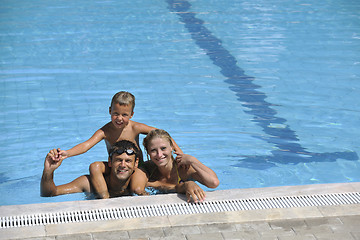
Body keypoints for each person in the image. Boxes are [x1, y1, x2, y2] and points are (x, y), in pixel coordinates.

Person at [52, 91, 182, 198]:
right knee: (94, 167)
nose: (119, 118)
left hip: (137, 167)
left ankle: (146, 197)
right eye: (116, 114)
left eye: (124, 115)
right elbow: (86, 145)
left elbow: (163, 134)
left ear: (131, 114)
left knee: (137, 188)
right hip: (117, 165)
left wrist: (179, 152)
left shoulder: (135, 127)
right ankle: (105, 198)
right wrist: (66, 153)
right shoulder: (105, 131)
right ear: (110, 111)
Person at [130, 129, 219, 203]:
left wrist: (192, 160)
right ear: (148, 151)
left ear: (171, 147)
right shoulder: (146, 169)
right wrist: (184, 186)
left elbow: (214, 183)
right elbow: (137, 190)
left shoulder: (184, 168)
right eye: (153, 150)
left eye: (163, 148)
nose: (159, 154)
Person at [41, 140, 140, 198]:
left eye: (128, 161)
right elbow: (50, 193)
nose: (123, 165)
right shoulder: (88, 183)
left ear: (136, 164)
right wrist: (48, 172)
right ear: (110, 162)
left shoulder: (139, 183)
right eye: (118, 160)